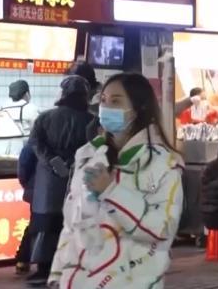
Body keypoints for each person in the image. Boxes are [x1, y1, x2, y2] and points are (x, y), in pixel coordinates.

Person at [48, 73, 185, 288]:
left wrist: (111, 191)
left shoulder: (163, 164)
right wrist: (57, 275)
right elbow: (71, 224)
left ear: (138, 108)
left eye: (116, 101)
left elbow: (161, 229)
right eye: (103, 100)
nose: (106, 108)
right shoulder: (87, 155)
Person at [27, 76, 95, 285]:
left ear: (63, 94)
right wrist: (73, 162)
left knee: (46, 224)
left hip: (48, 181)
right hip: (79, 176)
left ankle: (43, 267)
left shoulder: (45, 118)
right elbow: (96, 146)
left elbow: (35, 144)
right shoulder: (92, 120)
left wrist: (52, 161)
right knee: (74, 221)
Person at [14, 143, 38, 275]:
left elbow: (23, 170)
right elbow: (23, 171)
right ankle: (23, 258)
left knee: (35, 222)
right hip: (38, 190)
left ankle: (23, 259)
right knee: (36, 223)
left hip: (36, 189)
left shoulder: (33, 145)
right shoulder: (34, 145)